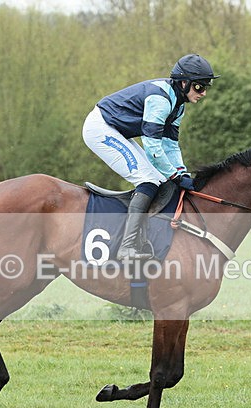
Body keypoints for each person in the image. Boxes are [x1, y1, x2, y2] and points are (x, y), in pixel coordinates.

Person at [82, 54, 219, 260]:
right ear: (184, 83)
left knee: (159, 179)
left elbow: (170, 145)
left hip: (116, 130)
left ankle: (143, 234)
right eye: (199, 87)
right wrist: (175, 176)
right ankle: (126, 247)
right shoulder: (160, 100)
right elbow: (153, 147)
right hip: (100, 128)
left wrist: (181, 172)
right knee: (148, 179)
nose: (204, 93)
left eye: (206, 87)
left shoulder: (178, 105)